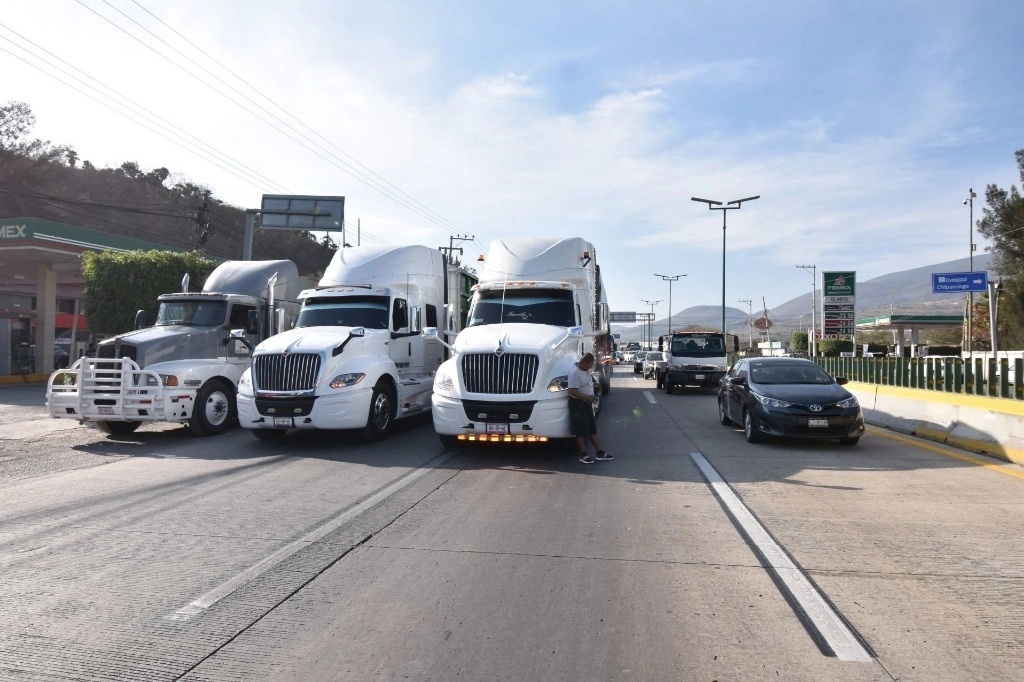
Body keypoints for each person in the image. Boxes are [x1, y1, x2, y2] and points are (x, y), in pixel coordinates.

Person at [567, 353, 612, 464]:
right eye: (590, 365)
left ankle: (599, 453)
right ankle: (583, 455)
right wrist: (587, 397)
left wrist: (595, 382)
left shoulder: (585, 369)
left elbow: (589, 376)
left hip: (587, 403)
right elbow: (571, 391)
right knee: (580, 430)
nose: (591, 367)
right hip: (578, 404)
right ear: (584, 363)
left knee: (591, 428)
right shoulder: (575, 373)